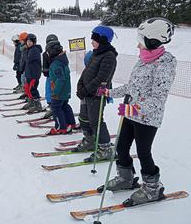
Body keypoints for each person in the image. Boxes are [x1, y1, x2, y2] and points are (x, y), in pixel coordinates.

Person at [98, 17, 176, 206]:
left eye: (141, 41)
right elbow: (132, 87)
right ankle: (126, 178)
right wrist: (110, 92)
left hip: (148, 118)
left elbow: (158, 99)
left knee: (143, 152)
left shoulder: (165, 64)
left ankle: (152, 189)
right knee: (121, 147)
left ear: (152, 40)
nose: (137, 45)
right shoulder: (143, 59)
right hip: (130, 113)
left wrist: (133, 107)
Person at [74, 25, 117, 160]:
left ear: (103, 40)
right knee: (83, 118)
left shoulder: (109, 56)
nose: (91, 42)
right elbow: (86, 72)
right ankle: (90, 140)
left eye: (94, 39)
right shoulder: (95, 53)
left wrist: (86, 90)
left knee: (95, 121)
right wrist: (80, 85)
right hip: (87, 94)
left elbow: (101, 79)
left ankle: (105, 148)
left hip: (96, 95)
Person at [46, 40, 76, 135]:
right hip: (65, 91)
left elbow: (60, 79)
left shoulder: (56, 64)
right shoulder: (62, 60)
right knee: (64, 106)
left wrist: (55, 92)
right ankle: (70, 123)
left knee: (56, 108)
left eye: (48, 51)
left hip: (59, 92)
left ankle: (60, 127)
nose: (47, 54)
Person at [22, 33, 43, 113]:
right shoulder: (29, 49)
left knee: (32, 89)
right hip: (29, 73)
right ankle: (31, 102)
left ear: (34, 42)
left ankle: (38, 105)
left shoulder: (35, 50)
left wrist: (24, 52)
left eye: (30, 41)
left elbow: (28, 59)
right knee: (27, 89)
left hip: (34, 74)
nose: (29, 43)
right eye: (27, 41)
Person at [42, 34, 59, 118]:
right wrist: (46, 71)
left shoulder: (59, 53)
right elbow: (45, 65)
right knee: (48, 91)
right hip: (50, 77)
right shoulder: (45, 54)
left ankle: (56, 108)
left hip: (57, 77)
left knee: (56, 92)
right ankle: (51, 105)